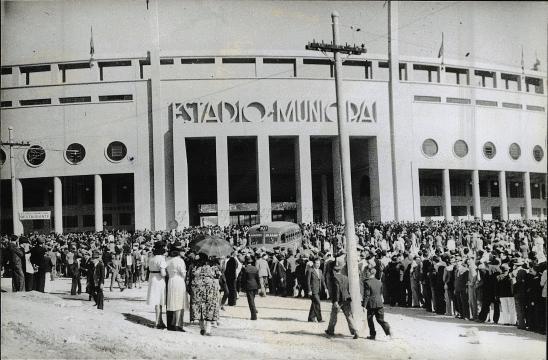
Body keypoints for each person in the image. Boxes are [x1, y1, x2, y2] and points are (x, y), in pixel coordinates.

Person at [190, 253, 222, 335]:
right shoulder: (213, 265)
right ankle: (208, 330)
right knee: (210, 307)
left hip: (198, 289)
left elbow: (191, 275)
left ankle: (202, 328)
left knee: (200, 308)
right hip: (210, 289)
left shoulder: (195, 265)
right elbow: (219, 275)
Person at [325, 264, 359, 339]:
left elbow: (336, 290)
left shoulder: (334, 278)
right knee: (349, 316)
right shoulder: (345, 277)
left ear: (334, 271)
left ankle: (330, 330)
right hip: (346, 298)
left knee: (333, 316)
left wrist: (335, 301)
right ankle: (355, 331)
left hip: (339, 299)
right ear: (340, 270)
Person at [362, 268, 391, 340]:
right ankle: (388, 332)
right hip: (379, 303)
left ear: (370, 273)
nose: (366, 273)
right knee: (381, 320)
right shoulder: (379, 282)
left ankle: (372, 335)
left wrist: (364, 305)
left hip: (371, 304)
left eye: (367, 272)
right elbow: (380, 293)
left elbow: (367, 295)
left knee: (370, 319)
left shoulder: (367, 282)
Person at [166, 241, 188, 332]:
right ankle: (178, 324)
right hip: (178, 281)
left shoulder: (168, 260)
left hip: (171, 281)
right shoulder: (180, 260)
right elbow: (183, 273)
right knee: (179, 302)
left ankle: (171, 324)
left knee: (171, 301)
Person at [147, 241, 167, 329]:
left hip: (152, 278)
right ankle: (157, 322)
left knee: (156, 301)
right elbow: (163, 273)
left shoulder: (151, 258)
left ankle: (160, 320)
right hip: (159, 279)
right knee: (159, 301)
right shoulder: (162, 259)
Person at [240, 255, 260, 320]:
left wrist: (242, 287)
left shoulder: (245, 269)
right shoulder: (255, 268)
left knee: (250, 301)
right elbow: (258, 278)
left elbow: (243, 279)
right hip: (255, 286)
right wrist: (259, 286)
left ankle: (254, 316)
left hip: (249, 286)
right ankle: (254, 310)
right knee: (252, 300)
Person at [307, 258, 326, 322]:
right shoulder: (310, 270)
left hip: (319, 290)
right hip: (313, 290)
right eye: (317, 263)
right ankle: (319, 319)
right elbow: (308, 281)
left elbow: (323, 280)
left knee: (314, 303)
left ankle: (311, 318)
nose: (318, 265)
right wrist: (309, 290)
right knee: (317, 303)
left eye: (319, 263)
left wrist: (325, 288)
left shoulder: (320, 271)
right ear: (314, 263)